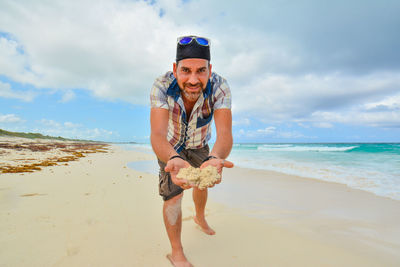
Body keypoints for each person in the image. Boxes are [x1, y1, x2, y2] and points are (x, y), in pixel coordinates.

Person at [150, 35, 233, 267]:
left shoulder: (220, 86)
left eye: (201, 71)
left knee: (202, 184)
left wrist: (215, 157)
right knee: (173, 196)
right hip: (170, 146)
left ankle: (200, 216)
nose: (194, 79)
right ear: (175, 69)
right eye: (186, 70)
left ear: (210, 69)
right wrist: (173, 157)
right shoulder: (162, 86)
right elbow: (157, 134)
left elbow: (225, 134)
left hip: (200, 144)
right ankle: (176, 251)